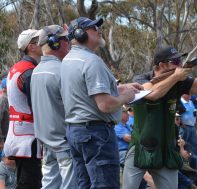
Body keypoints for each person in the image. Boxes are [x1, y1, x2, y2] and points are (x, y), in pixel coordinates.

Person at [122, 45, 197, 189]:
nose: (180, 64)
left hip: (167, 148)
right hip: (140, 147)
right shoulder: (142, 79)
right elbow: (153, 94)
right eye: (175, 61)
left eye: (180, 60)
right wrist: (175, 77)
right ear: (162, 64)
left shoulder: (180, 82)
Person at [61, 17, 142, 189]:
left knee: (84, 184)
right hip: (96, 133)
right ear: (80, 33)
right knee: (105, 185)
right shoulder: (92, 61)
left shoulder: (68, 60)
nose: (99, 30)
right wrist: (125, 98)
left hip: (75, 131)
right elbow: (105, 104)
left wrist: (122, 88)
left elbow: (87, 92)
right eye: (94, 28)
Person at [30, 25, 77, 189]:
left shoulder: (36, 71)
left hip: (47, 144)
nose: (68, 43)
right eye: (65, 39)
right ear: (55, 43)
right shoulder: (62, 70)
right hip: (64, 143)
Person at [4, 29, 43, 189]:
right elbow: (39, 105)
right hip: (27, 136)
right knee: (30, 183)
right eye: (40, 40)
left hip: (20, 134)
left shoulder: (19, 67)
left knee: (26, 181)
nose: (44, 43)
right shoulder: (29, 71)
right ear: (31, 46)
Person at [179, 93, 197, 159]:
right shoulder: (180, 102)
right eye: (187, 93)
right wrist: (181, 123)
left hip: (192, 126)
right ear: (182, 94)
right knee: (183, 144)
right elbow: (177, 114)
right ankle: (183, 161)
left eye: (190, 93)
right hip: (183, 127)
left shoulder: (191, 102)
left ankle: (196, 162)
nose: (190, 94)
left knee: (194, 144)